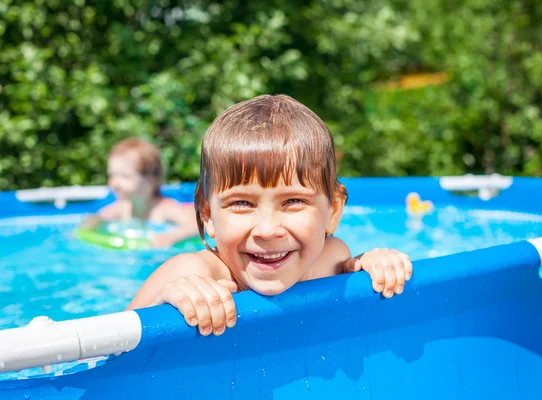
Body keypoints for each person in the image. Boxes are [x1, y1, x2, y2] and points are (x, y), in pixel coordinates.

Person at [127, 95, 412, 336]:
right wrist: (161, 310)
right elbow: (98, 357)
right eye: (241, 203)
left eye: (293, 201)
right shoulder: (189, 274)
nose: (267, 229)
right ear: (207, 214)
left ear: (333, 210)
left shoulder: (333, 259)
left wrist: (375, 264)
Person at [83, 137, 197, 248]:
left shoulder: (164, 209)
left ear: (151, 180)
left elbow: (196, 226)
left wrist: (171, 237)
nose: (114, 183)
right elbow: (95, 219)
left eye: (124, 176)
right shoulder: (122, 208)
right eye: (111, 175)